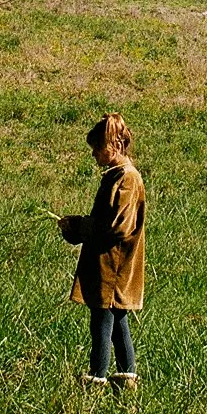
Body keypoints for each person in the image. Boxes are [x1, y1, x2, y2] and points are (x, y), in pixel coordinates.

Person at [57, 113, 146, 390]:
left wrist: (79, 226)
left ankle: (96, 378)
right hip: (110, 264)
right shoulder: (117, 176)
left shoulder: (127, 179)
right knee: (117, 321)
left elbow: (117, 227)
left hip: (115, 266)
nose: (94, 155)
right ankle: (126, 381)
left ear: (115, 145)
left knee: (102, 321)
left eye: (98, 148)